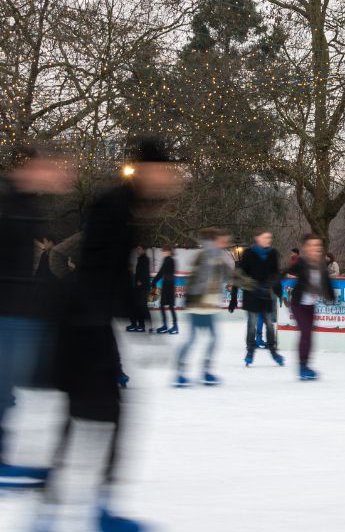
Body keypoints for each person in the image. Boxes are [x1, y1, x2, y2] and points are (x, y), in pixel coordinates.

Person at [44, 138, 186, 530]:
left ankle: (68, 506)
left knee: (90, 415)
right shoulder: (115, 207)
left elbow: (111, 274)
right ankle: (82, 509)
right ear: (145, 170)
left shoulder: (124, 207)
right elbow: (103, 270)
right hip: (84, 326)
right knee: (98, 414)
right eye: (164, 171)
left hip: (89, 323)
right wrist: (139, 317)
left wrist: (139, 317)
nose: (168, 180)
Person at [0, 144, 73, 489]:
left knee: (13, 385)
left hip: (24, 310)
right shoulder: (10, 205)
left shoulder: (28, 204)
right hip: (9, 310)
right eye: (46, 168)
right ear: (27, 168)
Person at [175, 227, 235, 387]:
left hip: (210, 306)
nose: (226, 243)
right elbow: (194, 280)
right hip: (196, 305)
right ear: (215, 240)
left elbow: (232, 275)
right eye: (223, 240)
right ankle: (180, 372)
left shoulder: (220, 257)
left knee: (213, 339)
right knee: (193, 339)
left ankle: (206, 372)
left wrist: (252, 284)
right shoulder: (204, 256)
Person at [286, 234, 336, 381]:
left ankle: (306, 365)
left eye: (318, 246)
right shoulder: (301, 262)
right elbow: (285, 271)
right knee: (306, 333)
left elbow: (327, 283)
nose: (316, 249)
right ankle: (302, 367)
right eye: (312, 246)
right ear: (307, 248)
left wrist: (331, 297)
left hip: (311, 305)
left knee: (309, 335)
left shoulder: (321, 265)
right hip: (297, 304)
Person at [234, 229, 284, 368]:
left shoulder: (273, 253)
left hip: (266, 295)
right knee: (252, 324)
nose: (268, 240)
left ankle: (273, 351)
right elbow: (240, 274)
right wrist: (247, 287)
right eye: (265, 237)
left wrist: (277, 291)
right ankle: (250, 351)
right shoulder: (249, 253)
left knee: (269, 324)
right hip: (251, 295)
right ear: (257, 238)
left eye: (270, 237)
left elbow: (276, 273)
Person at [151, 246, 179, 334]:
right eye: (163, 250)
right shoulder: (167, 259)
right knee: (163, 305)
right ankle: (165, 326)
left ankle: (175, 326)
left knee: (169, 306)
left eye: (164, 250)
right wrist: (154, 282)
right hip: (167, 286)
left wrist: (154, 281)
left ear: (169, 251)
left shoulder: (170, 260)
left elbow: (162, 272)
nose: (163, 252)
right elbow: (161, 272)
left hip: (169, 286)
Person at [125, 246, 152, 333]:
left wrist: (141, 281)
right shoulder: (140, 259)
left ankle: (144, 325)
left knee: (142, 306)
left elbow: (145, 273)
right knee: (135, 305)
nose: (138, 250)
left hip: (143, 287)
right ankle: (135, 324)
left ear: (144, 250)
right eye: (137, 249)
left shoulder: (145, 259)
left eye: (139, 249)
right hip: (138, 287)